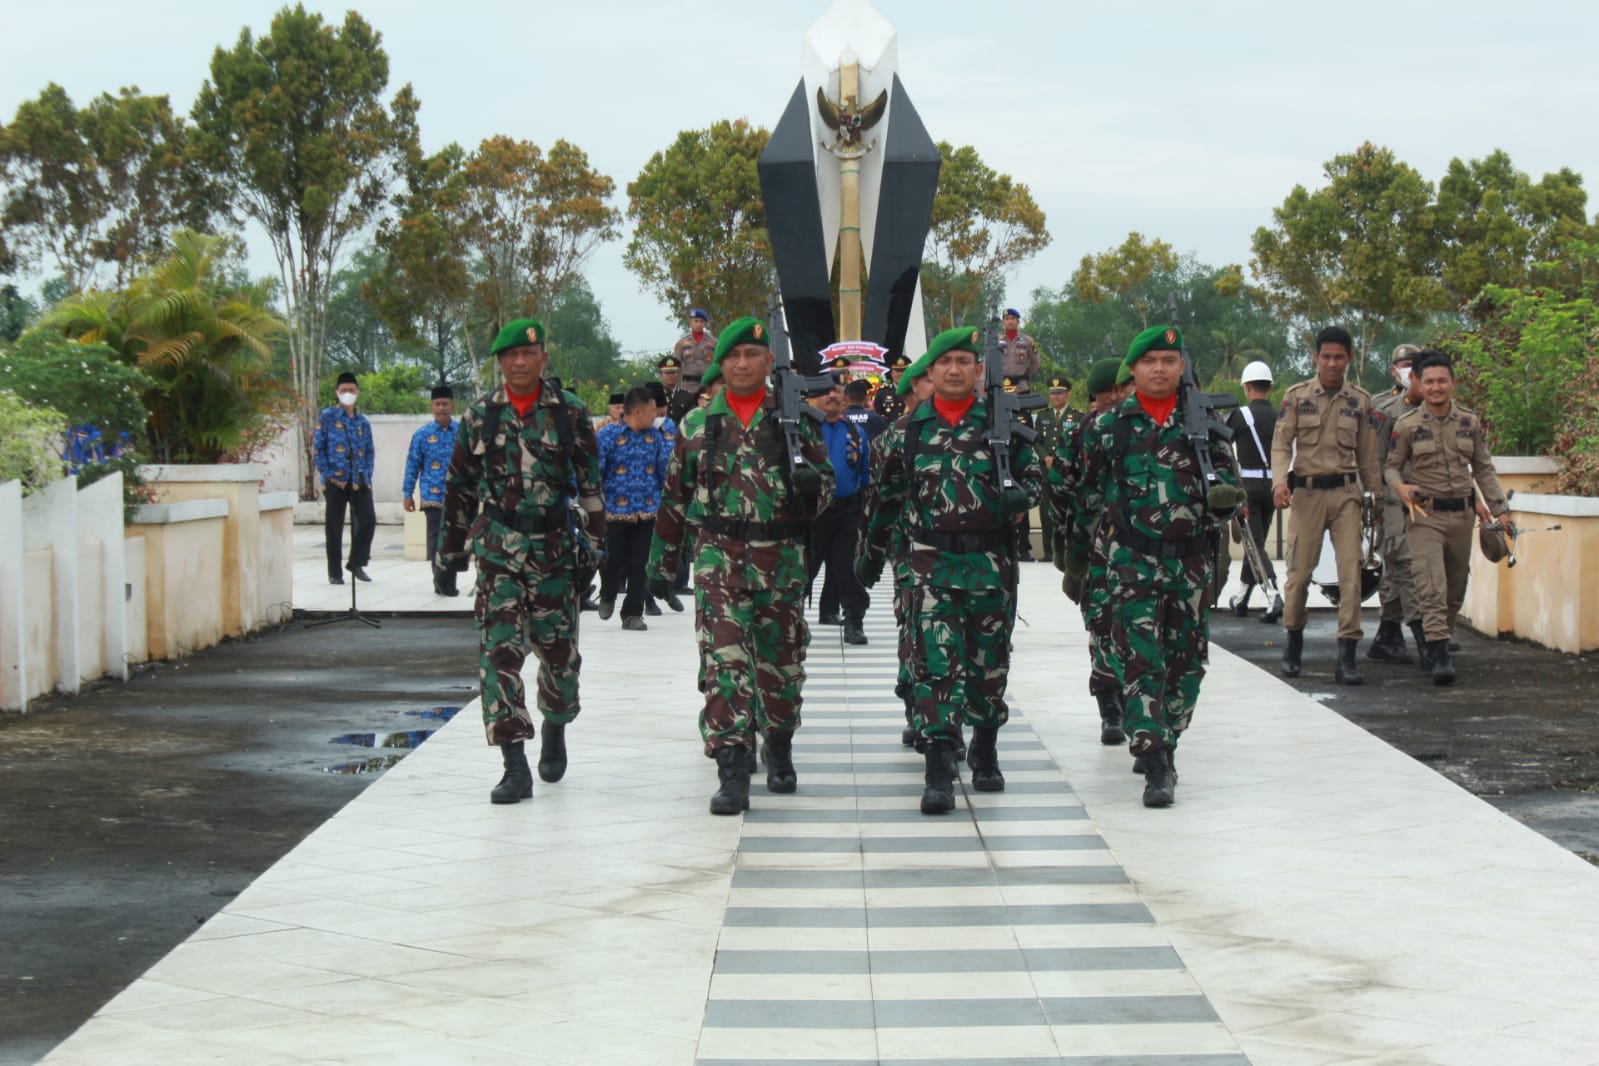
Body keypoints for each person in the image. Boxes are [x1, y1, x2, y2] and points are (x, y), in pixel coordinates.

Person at [647, 316, 835, 814]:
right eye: (733, 356)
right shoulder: (697, 424)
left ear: (770, 363)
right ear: (719, 365)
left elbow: (829, 487)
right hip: (719, 560)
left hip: (783, 561)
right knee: (723, 664)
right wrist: (661, 568)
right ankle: (731, 768)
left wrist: (810, 484)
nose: (743, 363)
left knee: (782, 666)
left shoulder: (795, 418)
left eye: (753, 355)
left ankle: (779, 744)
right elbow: (673, 499)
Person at [859, 326, 1040, 815]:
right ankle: (938, 764)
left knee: (988, 663)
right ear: (931, 372)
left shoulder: (1005, 426)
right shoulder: (905, 433)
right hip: (929, 566)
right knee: (934, 665)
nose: (955, 369)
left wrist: (1024, 496)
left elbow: (1036, 475)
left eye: (965, 361)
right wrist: (870, 554)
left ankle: (984, 748)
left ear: (979, 370)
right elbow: (885, 501)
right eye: (946, 362)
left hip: (990, 565)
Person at [1066, 326, 1245, 808]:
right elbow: (1086, 494)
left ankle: (1165, 730)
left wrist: (1225, 502)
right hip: (1131, 562)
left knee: (1188, 662)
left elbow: (1228, 490)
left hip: (1188, 563)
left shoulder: (1203, 425)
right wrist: (1081, 561)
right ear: (1135, 370)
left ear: (1181, 366)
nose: (1160, 368)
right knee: (1142, 661)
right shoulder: (1109, 428)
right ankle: (1157, 758)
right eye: (1150, 361)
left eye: (1169, 359)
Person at [437, 318, 605, 805]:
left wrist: (598, 546)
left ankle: (556, 722)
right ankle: (513, 763)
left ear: (542, 358)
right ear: (500, 362)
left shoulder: (569, 413)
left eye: (528, 355)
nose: (519, 362)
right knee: (498, 656)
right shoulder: (479, 417)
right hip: (498, 552)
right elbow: (459, 487)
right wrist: (449, 554)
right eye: (510, 356)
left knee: (560, 657)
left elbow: (590, 484)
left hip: (554, 550)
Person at [1386, 351, 1510, 685]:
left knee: (1455, 587)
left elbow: (1483, 467)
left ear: (1452, 384)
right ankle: (1438, 654)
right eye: (1429, 382)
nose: (1436, 387)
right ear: (1420, 385)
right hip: (1425, 515)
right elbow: (1391, 467)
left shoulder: (1470, 422)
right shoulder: (1407, 426)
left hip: (1462, 517)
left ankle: (1441, 635)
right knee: (1431, 585)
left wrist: (1499, 509)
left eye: (1442, 381)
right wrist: (1401, 488)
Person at [1271, 326, 1383, 684]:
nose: (1332, 363)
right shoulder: (1296, 396)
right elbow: (1281, 444)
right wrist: (1278, 482)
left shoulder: (1361, 401)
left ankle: (1347, 655)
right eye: (1326, 356)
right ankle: (1292, 643)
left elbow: (1368, 456)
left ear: (1349, 358)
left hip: (1347, 495)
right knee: (1299, 575)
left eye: (1339, 357)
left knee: (1351, 575)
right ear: (1316, 358)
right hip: (1306, 495)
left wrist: (1375, 496)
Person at [1047, 357, 1129, 746]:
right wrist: (1066, 547)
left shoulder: (1140, 429)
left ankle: (1138, 704)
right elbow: (1060, 488)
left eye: (1120, 388)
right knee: (1101, 625)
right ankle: (1109, 707)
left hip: (1137, 545)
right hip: (1093, 544)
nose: (1114, 397)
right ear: (1094, 394)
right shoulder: (1079, 433)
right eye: (1106, 391)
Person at [864, 345, 939, 751]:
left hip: (955, 554)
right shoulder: (896, 435)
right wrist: (873, 551)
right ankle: (915, 704)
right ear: (910, 391)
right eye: (928, 379)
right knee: (914, 630)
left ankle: (945, 714)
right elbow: (880, 498)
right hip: (909, 552)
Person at [596, 388, 674, 631]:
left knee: (641, 565)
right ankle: (608, 594)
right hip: (615, 512)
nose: (656, 415)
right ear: (638, 411)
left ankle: (632, 614)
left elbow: (664, 471)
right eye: (652, 410)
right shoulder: (608, 435)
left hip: (648, 511)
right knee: (613, 561)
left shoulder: (656, 437)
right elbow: (596, 470)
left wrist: (668, 503)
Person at [1368, 343, 1424, 664]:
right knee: (1401, 565)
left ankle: (1390, 633)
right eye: (1403, 365)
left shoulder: (1431, 403)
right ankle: (1419, 637)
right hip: (1391, 500)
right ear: (1393, 370)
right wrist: (1374, 501)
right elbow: (1375, 459)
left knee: (1411, 568)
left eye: (1413, 365)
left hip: (1424, 500)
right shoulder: (1383, 407)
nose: (1408, 370)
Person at [807, 380, 871, 644]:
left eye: (837, 390)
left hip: (847, 508)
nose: (832, 396)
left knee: (847, 565)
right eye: (825, 391)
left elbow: (865, 472)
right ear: (810, 399)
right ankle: (789, 621)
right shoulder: (804, 430)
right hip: (810, 511)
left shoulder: (855, 431)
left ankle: (854, 620)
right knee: (803, 566)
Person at [1225, 361, 1280, 620]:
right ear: (1269, 386)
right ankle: (1242, 596)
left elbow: (1224, 445)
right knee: (1254, 541)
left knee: (1254, 543)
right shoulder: (1279, 416)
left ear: (1247, 387)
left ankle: (1273, 594)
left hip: (1247, 486)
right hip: (1272, 486)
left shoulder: (1242, 415)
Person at [314, 371, 376, 585]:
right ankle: (335, 572)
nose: (348, 394)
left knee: (367, 520)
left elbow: (370, 451)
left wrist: (367, 476)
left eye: (351, 390)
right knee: (334, 526)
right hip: (336, 481)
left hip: (359, 480)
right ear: (337, 393)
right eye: (344, 391)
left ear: (357, 392)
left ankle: (356, 563)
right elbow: (318, 448)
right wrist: (328, 475)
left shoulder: (362, 422)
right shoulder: (328, 416)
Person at [402, 384, 460, 596]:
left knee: (454, 541)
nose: (442, 408)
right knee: (436, 540)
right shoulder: (422, 435)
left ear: (453, 406)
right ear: (432, 406)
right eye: (438, 404)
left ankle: (450, 582)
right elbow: (412, 465)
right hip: (432, 497)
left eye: (446, 404)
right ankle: (438, 580)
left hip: (457, 496)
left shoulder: (462, 432)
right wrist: (407, 494)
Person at [1035, 374, 1075, 560]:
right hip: (1046, 471)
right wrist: (1045, 457)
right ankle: (1048, 552)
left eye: (1060, 393)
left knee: (1067, 513)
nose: (1056, 397)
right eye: (1053, 393)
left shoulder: (1076, 416)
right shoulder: (1043, 416)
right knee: (1045, 512)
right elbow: (1036, 441)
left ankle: (1066, 551)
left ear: (1067, 394)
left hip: (1066, 473)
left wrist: (1060, 459)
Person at [667, 309, 718, 424]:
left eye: (701, 321)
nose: (698, 324)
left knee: (708, 413)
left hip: (707, 385)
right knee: (688, 415)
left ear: (705, 324)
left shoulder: (714, 342)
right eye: (696, 321)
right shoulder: (681, 343)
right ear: (690, 322)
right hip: (688, 385)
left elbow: (718, 365)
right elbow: (676, 366)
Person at [998, 308, 1042, 394]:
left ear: (1018, 322)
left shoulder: (1028, 341)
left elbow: (1036, 362)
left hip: (1021, 388)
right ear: (1003, 322)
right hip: (1000, 388)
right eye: (1007, 319)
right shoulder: (995, 341)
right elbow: (988, 363)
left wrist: (1025, 374)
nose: (1010, 321)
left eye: (1013, 318)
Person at [872, 352, 912, 422]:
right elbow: (877, 417)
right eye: (897, 371)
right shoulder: (882, 392)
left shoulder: (915, 390)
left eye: (903, 371)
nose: (900, 374)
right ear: (891, 373)